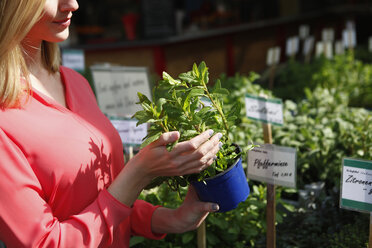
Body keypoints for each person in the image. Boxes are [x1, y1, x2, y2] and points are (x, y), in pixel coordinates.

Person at [0, 0, 223, 247]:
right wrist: (139, 172)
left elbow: (101, 198)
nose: (72, 4)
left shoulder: (74, 81)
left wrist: (165, 219)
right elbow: (46, 242)